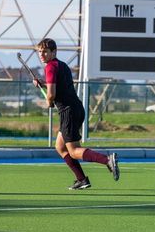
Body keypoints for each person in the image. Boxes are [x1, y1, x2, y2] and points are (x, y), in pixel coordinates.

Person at [34, 38, 120, 190]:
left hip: (68, 112)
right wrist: (43, 83)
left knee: (73, 151)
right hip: (76, 109)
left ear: (54, 52)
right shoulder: (62, 65)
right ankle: (81, 180)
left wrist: (49, 102)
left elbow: (51, 94)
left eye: (45, 52)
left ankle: (107, 160)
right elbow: (58, 86)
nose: (42, 54)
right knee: (60, 147)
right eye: (40, 51)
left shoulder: (50, 67)